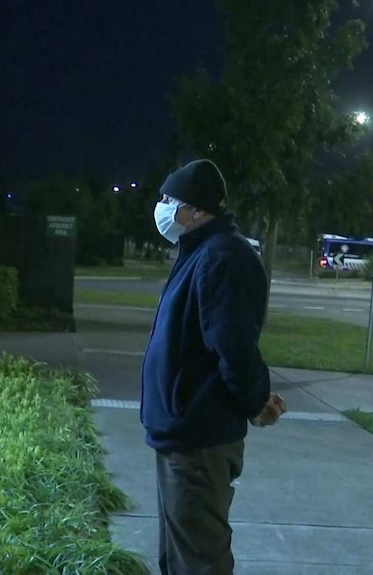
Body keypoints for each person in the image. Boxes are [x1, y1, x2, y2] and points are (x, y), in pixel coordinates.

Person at [141, 158, 287, 575]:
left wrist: (255, 400)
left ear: (196, 209)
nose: (163, 207)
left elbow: (234, 348)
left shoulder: (221, 258)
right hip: (179, 434)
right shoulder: (201, 252)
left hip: (198, 441)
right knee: (180, 559)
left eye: (171, 199)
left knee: (200, 562)